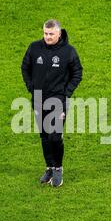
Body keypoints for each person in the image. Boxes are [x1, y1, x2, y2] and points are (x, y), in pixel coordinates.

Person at [21, 19, 83, 187]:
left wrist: (66, 93)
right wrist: (31, 87)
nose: (47, 37)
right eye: (45, 33)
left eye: (51, 34)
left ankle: (58, 169)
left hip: (58, 100)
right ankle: (49, 167)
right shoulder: (34, 48)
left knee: (55, 137)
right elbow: (24, 67)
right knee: (45, 137)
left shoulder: (69, 52)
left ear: (59, 33)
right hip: (39, 98)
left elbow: (77, 73)